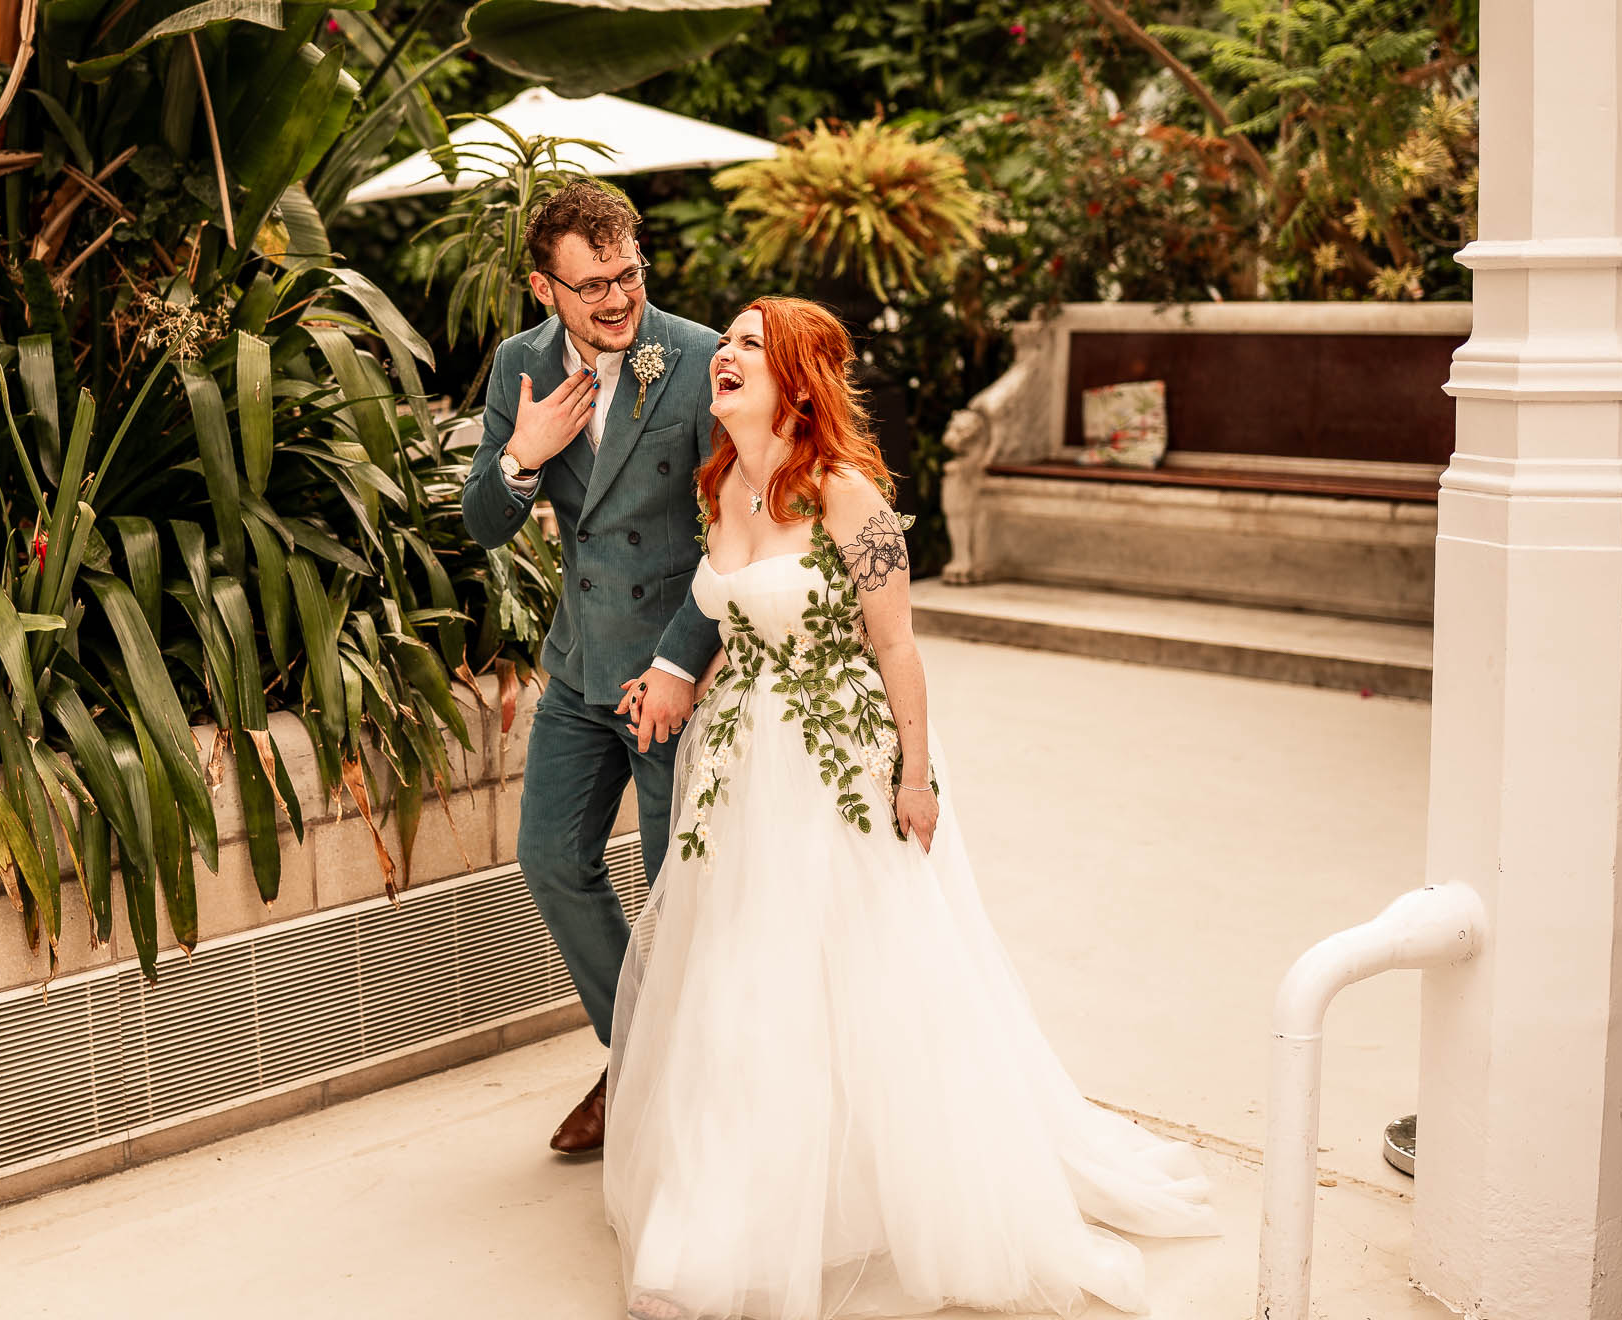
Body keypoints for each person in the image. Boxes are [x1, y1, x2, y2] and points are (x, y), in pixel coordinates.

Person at [603, 297, 1216, 1320]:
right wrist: (681, 683)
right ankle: (743, 1202)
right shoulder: (724, 489)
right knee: (744, 978)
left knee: (869, 974)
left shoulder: (847, 496)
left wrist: (916, 773)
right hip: (739, 770)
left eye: (752, 344)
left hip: (836, 768)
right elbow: (740, 624)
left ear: (797, 377)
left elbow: (896, 646)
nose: (728, 355)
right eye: (729, 341)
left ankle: (896, 1190)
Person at [461, 180, 723, 1156]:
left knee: (674, 893)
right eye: (592, 286)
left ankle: (674, 1103)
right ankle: (647, 1060)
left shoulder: (699, 359)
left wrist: (682, 667)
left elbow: (731, 540)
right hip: (578, 668)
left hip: (674, 674)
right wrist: (523, 457)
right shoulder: (519, 366)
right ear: (545, 287)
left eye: (628, 275)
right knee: (552, 860)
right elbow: (483, 525)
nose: (618, 301)